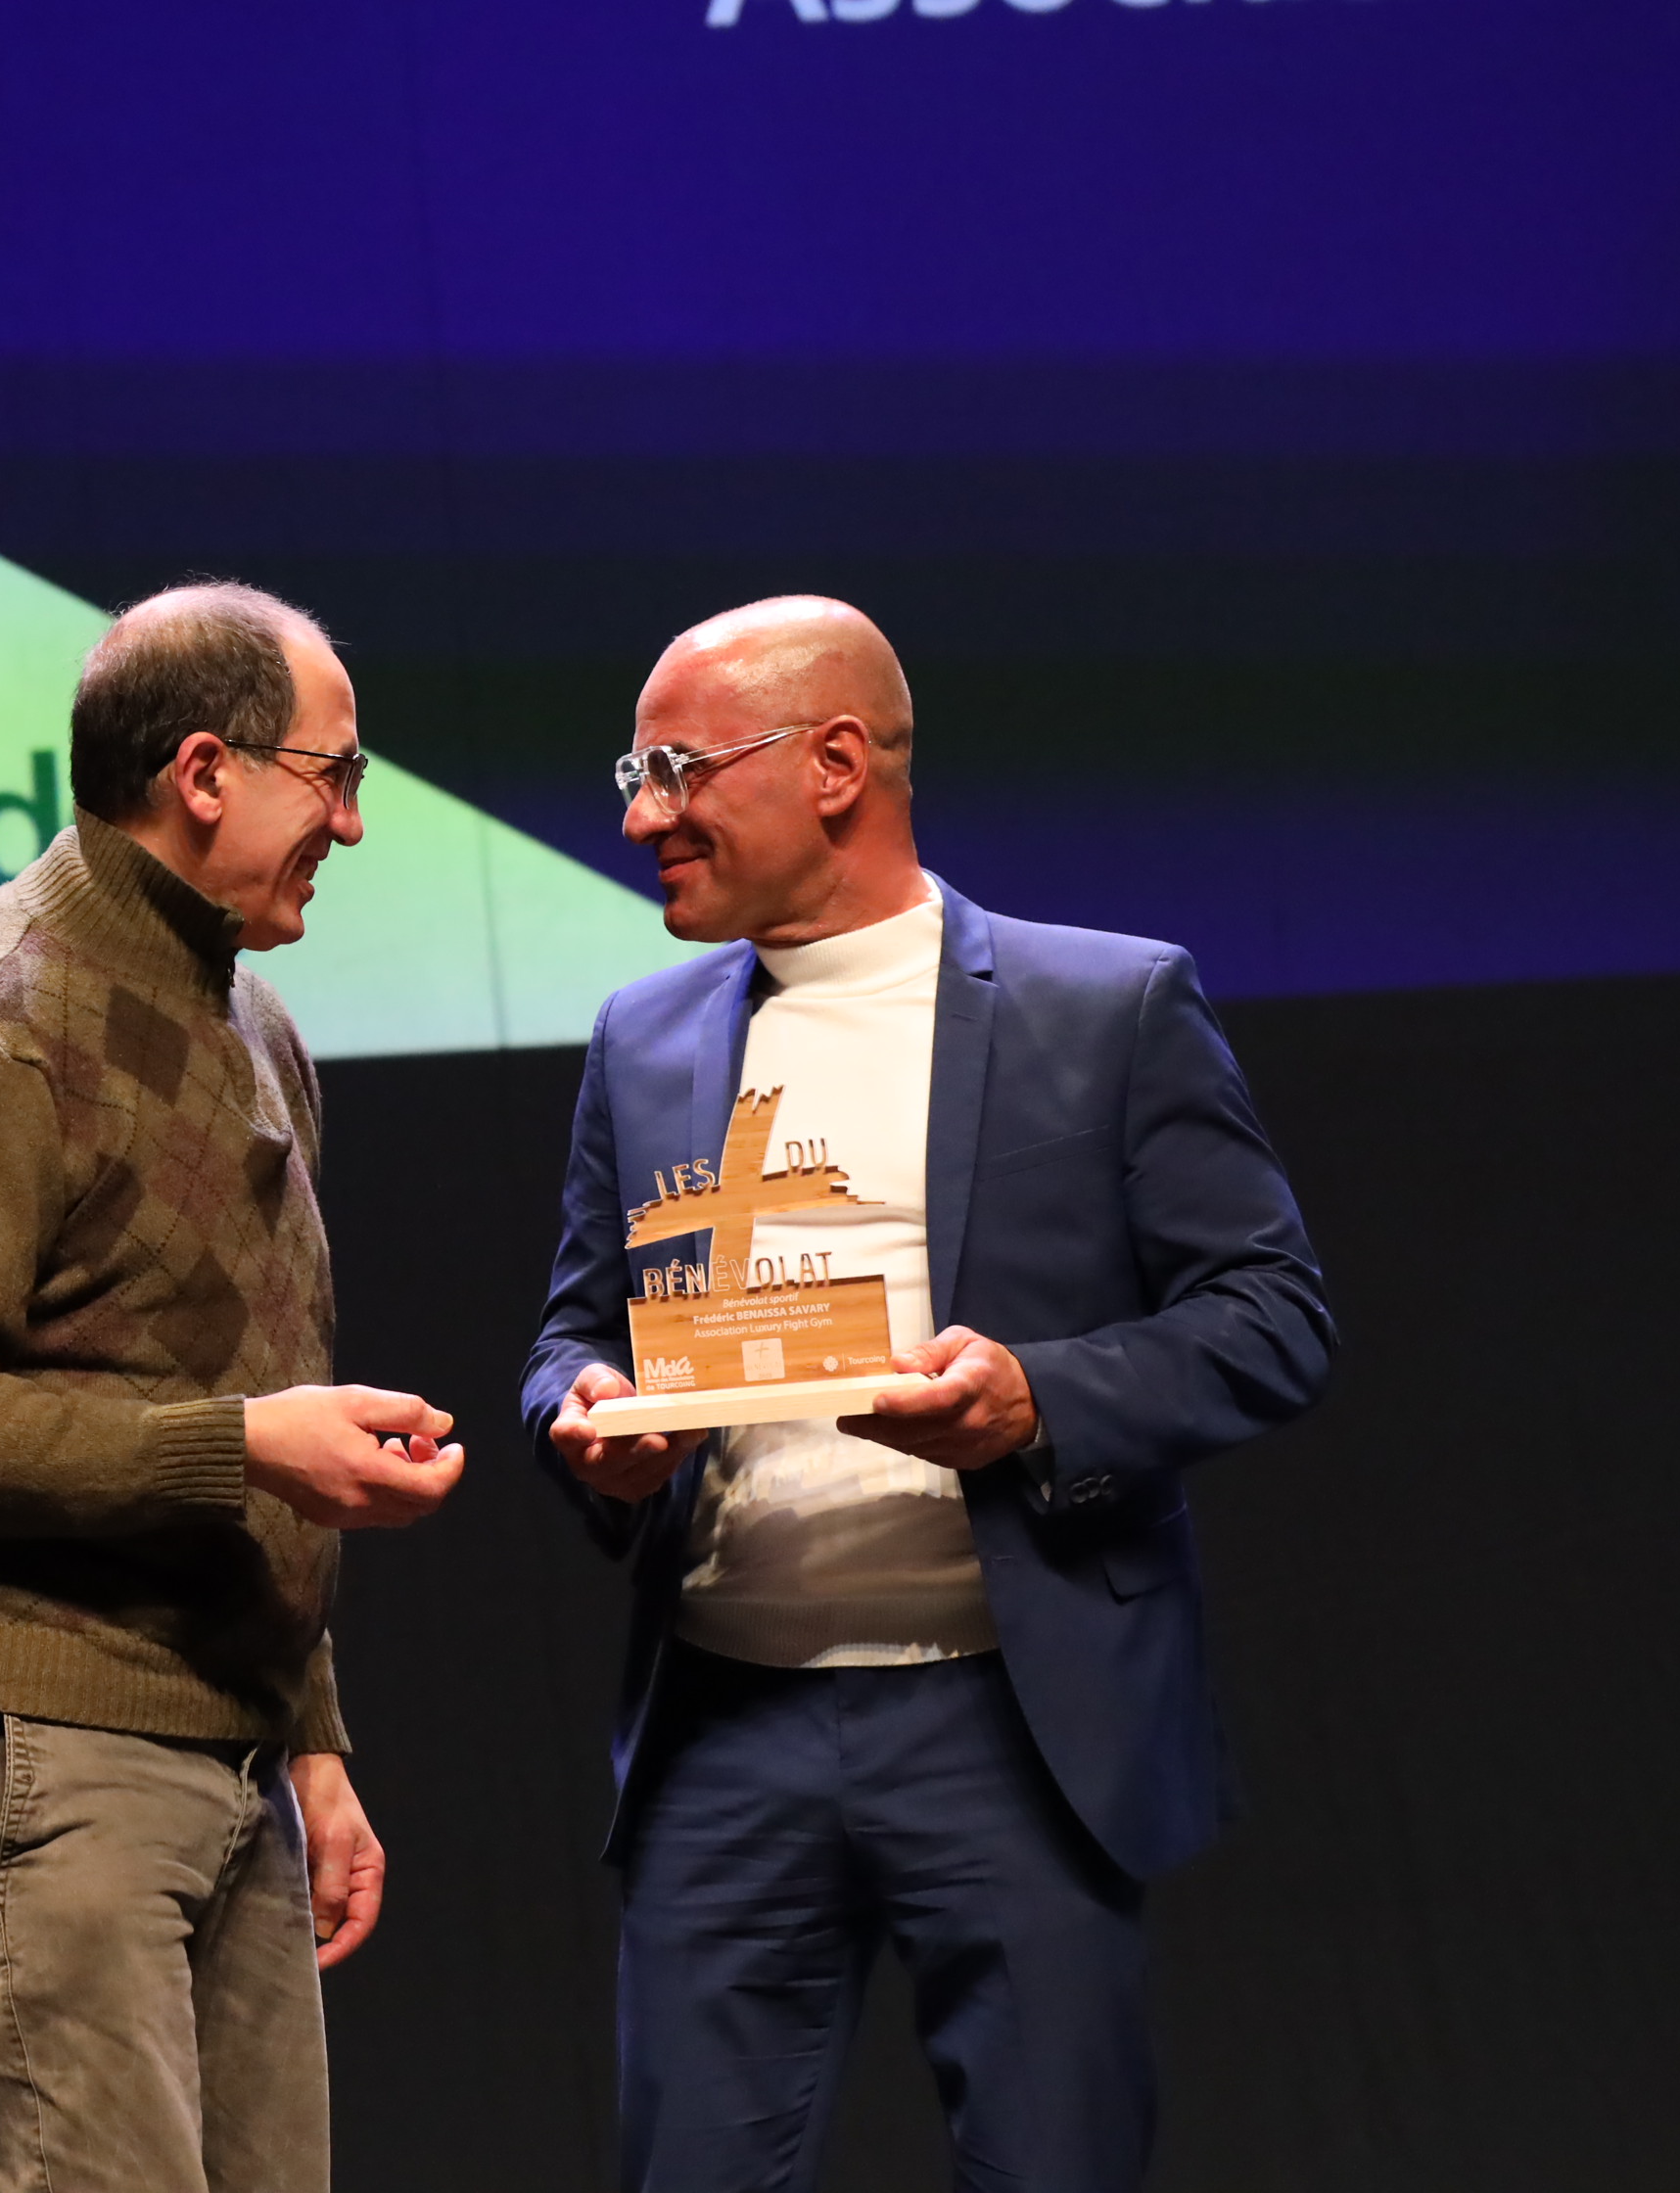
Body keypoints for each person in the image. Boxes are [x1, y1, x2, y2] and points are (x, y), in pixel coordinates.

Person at [520, 597, 1335, 2192]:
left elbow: (1271, 1316)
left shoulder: (1105, 1007)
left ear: (834, 765)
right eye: (636, 774)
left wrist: (1038, 1397)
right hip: (727, 1729)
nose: (640, 817)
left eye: (676, 770)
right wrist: (586, 1421)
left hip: (1014, 1721)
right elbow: (574, 1332)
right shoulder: (641, 1037)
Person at [0, 582, 466, 2193]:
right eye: (333, 775)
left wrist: (313, 1736)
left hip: (232, 1747)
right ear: (204, 772)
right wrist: (243, 1448)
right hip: (50, 1748)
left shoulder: (254, 1016)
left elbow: (252, 1373)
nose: (353, 823)